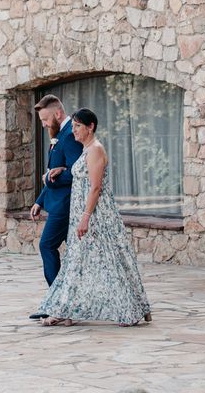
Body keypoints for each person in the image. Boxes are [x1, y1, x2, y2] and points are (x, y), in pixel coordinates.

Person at [36, 107, 152, 327]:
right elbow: (81, 174)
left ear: (91, 127)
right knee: (74, 264)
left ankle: (131, 309)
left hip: (98, 217)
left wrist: (86, 217)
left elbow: (96, 187)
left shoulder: (96, 149)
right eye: (73, 126)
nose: (74, 130)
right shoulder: (85, 150)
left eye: (78, 126)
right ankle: (62, 309)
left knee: (112, 262)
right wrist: (61, 169)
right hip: (81, 215)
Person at [29, 95, 83, 320]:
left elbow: (76, 172)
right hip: (55, 202)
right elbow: (53, 171)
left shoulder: (70, 135)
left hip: (66, 205)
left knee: (46, 246)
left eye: (44, 120)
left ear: (57, 114)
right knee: (59, 251)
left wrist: (49, 180)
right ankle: (61, 302)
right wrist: (39, 201)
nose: (42, 125)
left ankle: (58, 302)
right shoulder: (59, 134)